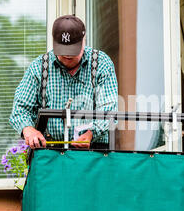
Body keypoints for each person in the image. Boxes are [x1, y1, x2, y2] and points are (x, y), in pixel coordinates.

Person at [9, 15, 118, 149]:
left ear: (83, 41)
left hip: (95, 150)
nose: (67, 57)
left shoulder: (102, 63)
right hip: (51, 151)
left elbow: (110, 110)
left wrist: (91, 133)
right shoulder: (39, 67)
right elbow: (20, 109)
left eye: (73, 52)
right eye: (63, 51)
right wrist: (28, 129)